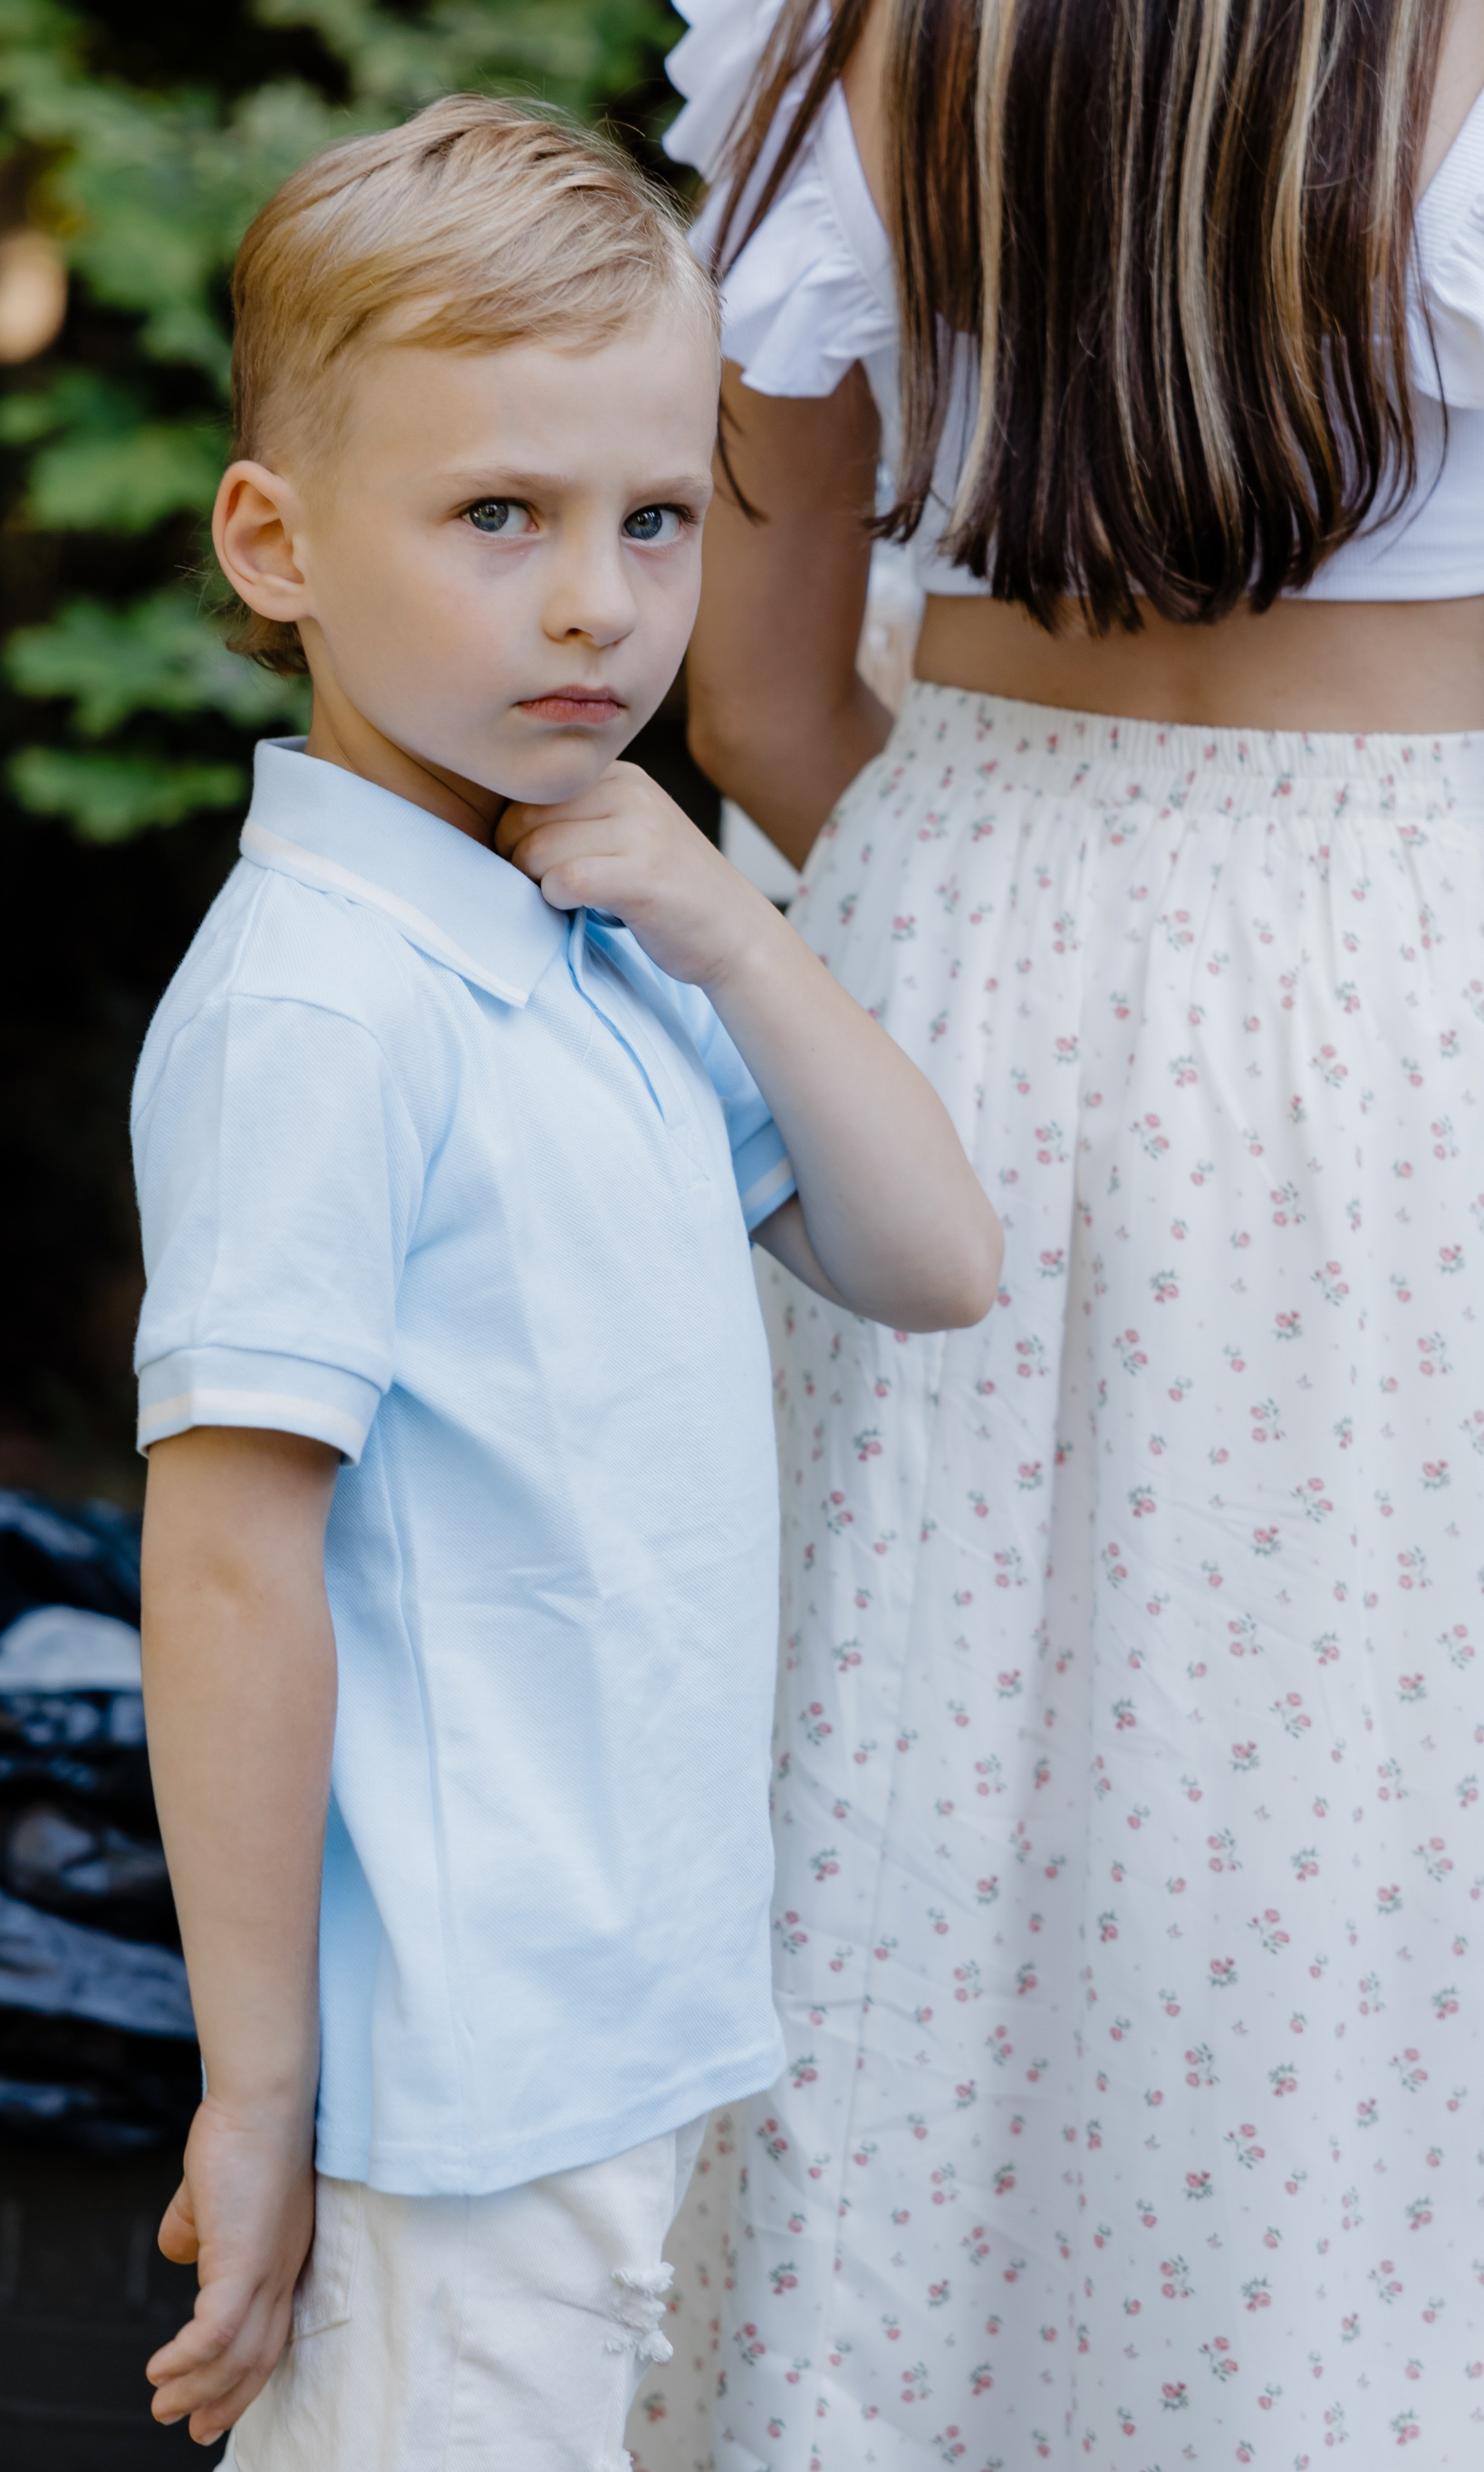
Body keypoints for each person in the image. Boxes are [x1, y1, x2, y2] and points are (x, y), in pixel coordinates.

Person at [129, 96, 999, 2471]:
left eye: (653, 517)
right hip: (455, 2076)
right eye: (498, 517)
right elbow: (226, 1556)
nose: (601, 604)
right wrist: (259, 2096)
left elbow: (933, 1259)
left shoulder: (586, 937)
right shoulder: (328, 1002)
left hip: (632, 2017)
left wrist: (727, 914)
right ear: (276, 543)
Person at [653, 0, 1484, 2464]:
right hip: (1425, 971)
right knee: (1361, 1813)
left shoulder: (857, 33)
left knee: (912, 1791)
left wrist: (1035, 869)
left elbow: (760, 702)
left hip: (966, 953)